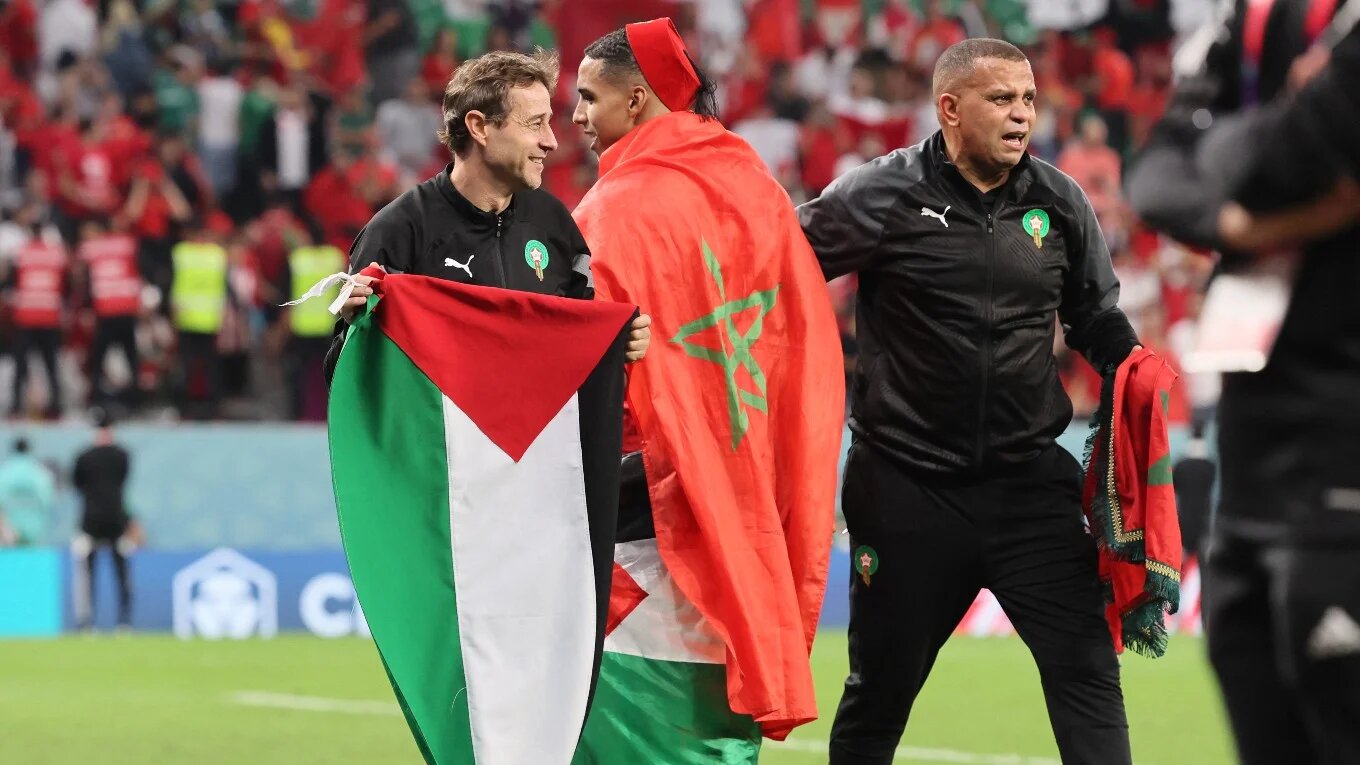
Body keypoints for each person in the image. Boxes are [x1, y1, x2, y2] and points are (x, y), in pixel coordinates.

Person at [797, 38, 1142, 764]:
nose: (1021, 115)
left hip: (1028, 486)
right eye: (1001, 99)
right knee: (880, 692)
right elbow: (782, 267)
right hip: (906, 487)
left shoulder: (1060, 200)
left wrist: (1133, 366)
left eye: (1027, 99)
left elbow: (1094, 316)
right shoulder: (880, 192)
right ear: (949, 109)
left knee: (1087, 666)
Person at [569, 19, 844, 761]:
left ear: (638, 99)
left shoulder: (612, 210)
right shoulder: (756, 190)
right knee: (716, 715)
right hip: (744, 474)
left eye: (589, 97)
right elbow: (795, 341)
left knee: (639, 729)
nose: (577, 118)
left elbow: (581, 371)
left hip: (645, 506)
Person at [1128, 6, 1360, 761]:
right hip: (1259, 437)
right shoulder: (1252, 17)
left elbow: (1274, 158)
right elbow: (1154, 176)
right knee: (1253, 678)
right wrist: (1236, 225)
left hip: (1344, 422)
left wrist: (1219, 148)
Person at [323, 50, 650, 373]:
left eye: (549, 123)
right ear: (479, 127)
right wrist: (356, 331)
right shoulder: (397, 231)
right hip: (443, 427)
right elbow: (344, 378)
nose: (550, 141)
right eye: (535, 123)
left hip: (536, 426)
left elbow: (582, 335)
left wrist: (619, 338)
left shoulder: (554, 222)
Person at [72, 411, 140, 631]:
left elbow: (78, 485)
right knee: (121, 573)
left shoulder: (84, 456)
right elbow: (123, 482)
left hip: (90, 521)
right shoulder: (122, 455)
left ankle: (87, 624)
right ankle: (124, 621)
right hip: (116, 521)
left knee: (88, 575)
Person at [0, 437, 55, 546]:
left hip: (10, 523)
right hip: (33, 523)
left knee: (10, 557)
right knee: (30, 556)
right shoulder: (38, 471)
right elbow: (46, 499)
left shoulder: (5, 471)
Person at [1172, 423, 1215, 560]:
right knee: (1201, 558)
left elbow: (1174, 489)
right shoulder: (1210, 466)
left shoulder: (1181, 465)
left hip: (1184, 518)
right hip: (1203, 519)